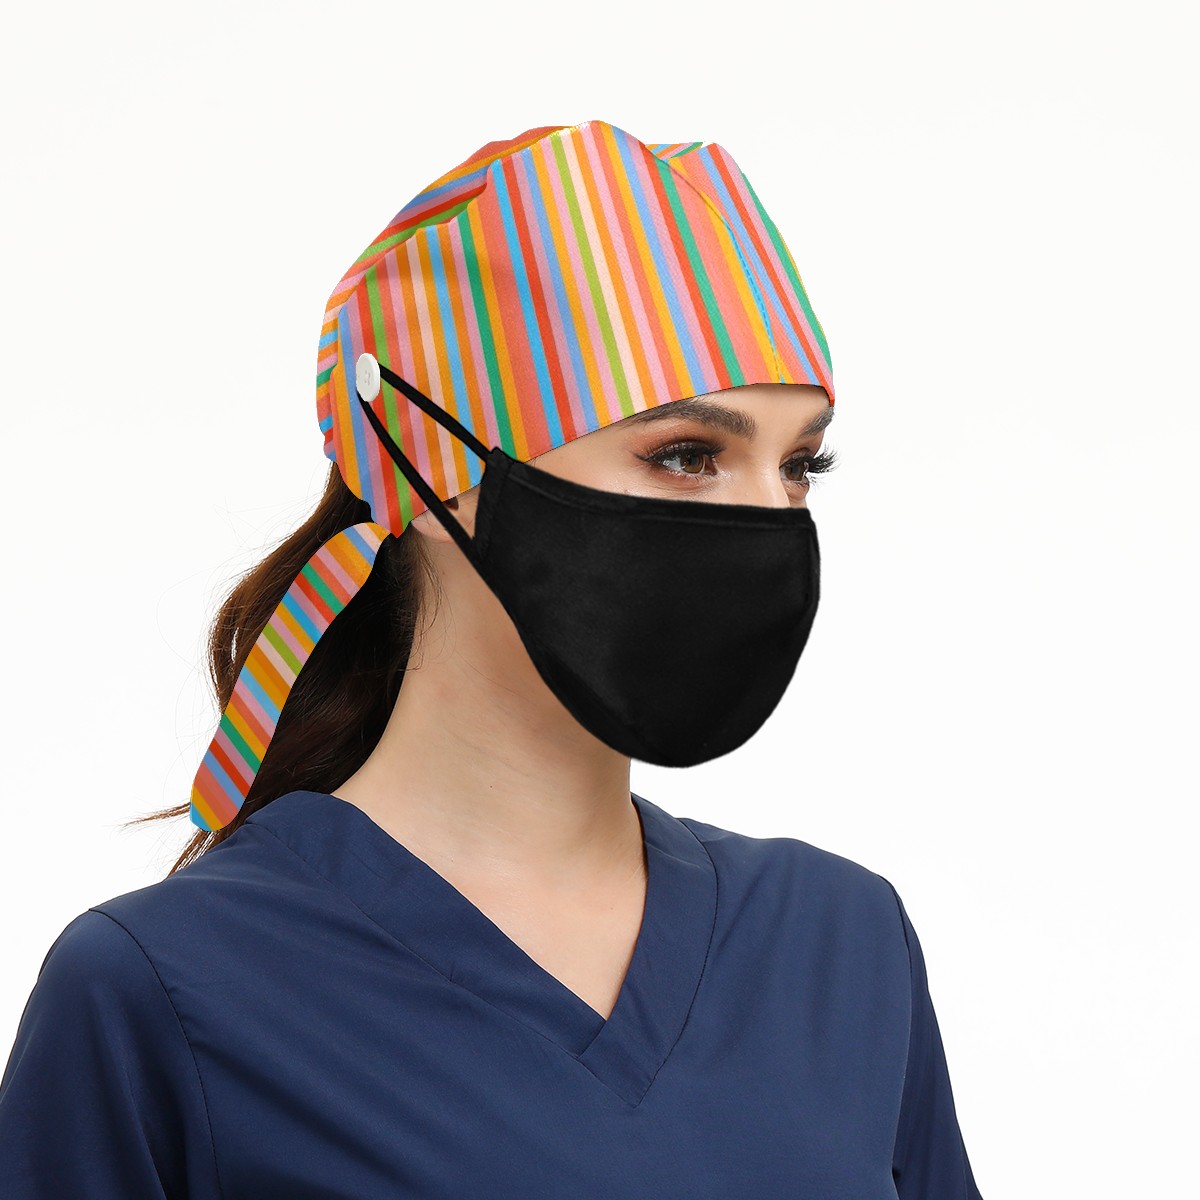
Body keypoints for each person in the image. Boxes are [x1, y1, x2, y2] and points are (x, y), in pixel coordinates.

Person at [0, 120, 984, 1198]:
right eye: (686, 455)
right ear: (429, 471)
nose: (770, 522)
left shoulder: (841, 944)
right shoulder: (161, 992)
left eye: (800, 466)